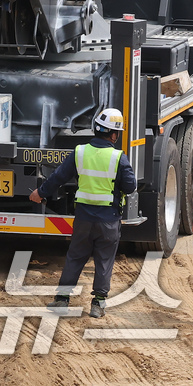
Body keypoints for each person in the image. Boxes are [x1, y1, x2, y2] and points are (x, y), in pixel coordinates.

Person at [29, 108, 136, 318]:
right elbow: (130, 187)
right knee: (104, 260)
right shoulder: (118, 158)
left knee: (75, 257)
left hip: (84, 218)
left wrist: (39, 193)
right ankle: (98, 305)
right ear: (114, 135)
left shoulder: (79, 152)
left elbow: (58, 177)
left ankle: (62, 299)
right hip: (108, 220)